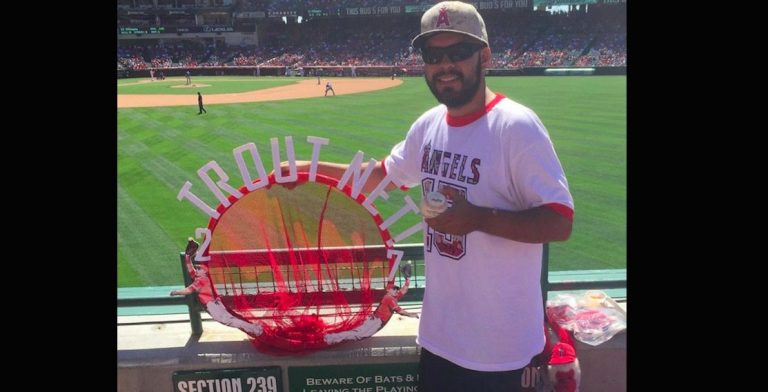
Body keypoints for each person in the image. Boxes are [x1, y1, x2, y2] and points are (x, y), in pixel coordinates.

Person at [280, 2, 573, 391]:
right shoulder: (429, 125)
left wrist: (478, 218)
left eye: (458, 52)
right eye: (434, 55)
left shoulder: (516, 126)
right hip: (440, 339)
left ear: (484, 56)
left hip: (500, 351)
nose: (445, 65)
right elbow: (383, 175)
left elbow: (560, 220)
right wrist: (308, 169)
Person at [170, 239, 263, 336]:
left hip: (212, 305)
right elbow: (191, 271)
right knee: (231, 318)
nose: (196, 269)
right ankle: (254, 328)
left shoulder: (200, 280)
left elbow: (189, 290)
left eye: (199, 268)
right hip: (215, 302)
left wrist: (176, 292)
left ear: (204, 271)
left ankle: (255, 329)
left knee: (229, 320)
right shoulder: (203, 277)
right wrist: (187, 258)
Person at [323, 276, 419, 345]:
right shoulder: (389, 298)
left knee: (358, 333)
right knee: (359, 335)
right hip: (376, 322)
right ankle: (331, 338)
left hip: (374, 320)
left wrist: (408, 280)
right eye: (394, 289)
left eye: (396, 290)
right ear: (388, 290)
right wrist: (412, 315)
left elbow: (404, 290)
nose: (396, 291)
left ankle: (331, 338)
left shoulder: (394, 296)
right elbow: (400, 311)